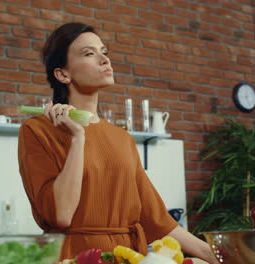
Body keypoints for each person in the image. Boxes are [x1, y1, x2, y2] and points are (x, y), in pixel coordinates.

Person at [17, 22, 218, 264]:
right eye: (89, 53)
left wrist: (213, 254)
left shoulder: (122, 138)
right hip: (75, 257)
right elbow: (61, 214)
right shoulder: (37, 130)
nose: (104, 60)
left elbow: (156, 219)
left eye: (104, 52)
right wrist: (78, 138)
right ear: (63, 74)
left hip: (129, 257)